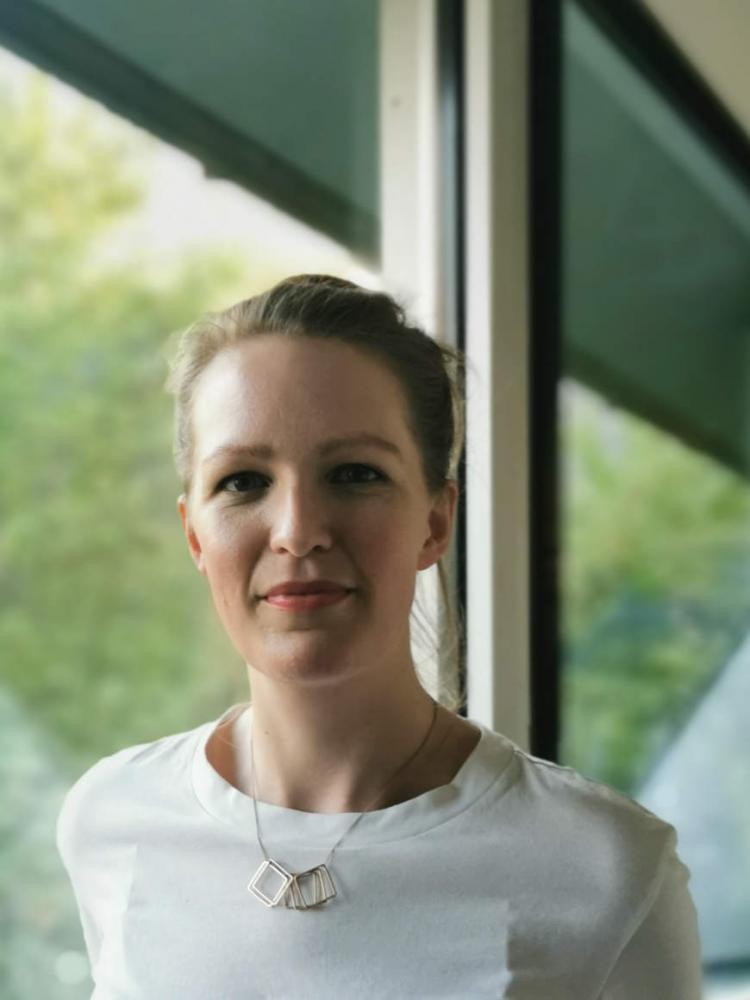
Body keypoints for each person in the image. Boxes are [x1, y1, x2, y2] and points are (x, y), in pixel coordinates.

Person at [56, 274, 702, 998]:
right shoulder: (113, 820)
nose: (298, 531)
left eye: (355, 474)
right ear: (194, 535)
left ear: (435, 522)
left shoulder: (606, 871)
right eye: (242, 482)